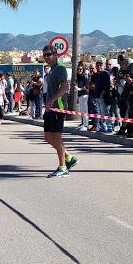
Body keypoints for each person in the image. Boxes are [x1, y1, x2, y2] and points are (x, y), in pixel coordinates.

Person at [42, 44, 79, 178]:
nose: (47, 57)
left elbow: (64, 88)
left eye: (49, 55)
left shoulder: (60, 69)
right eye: (45, 55)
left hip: (58, 107)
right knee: (47, 137)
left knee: (57, 138)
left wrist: (53, 99)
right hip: (49, 109)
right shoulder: (50, 71)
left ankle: (63, 167)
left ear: (55, 55)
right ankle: (69, 158)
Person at [92, 61, 112, 133]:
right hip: (97, 96)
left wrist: (102, 95)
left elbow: (106, 86)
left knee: (105, 112)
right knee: (100, 113)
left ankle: (110, 126)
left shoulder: (105, 74)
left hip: (104, 96)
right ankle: (103, 126)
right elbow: (94, 85)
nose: (99, 67)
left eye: (101, 65)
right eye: (98, 65)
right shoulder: (97, 75)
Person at [75, 64, 89, 131]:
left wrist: (80, 89)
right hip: (80, 95)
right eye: (78, 69)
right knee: (82, 111)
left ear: (83, 70)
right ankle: (83, 124)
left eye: (80, 69)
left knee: (85, 110)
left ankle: (86, 125)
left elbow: (87, 86)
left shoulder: (85, 76)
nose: (79, 70)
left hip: (85, 95)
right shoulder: (78, 77)